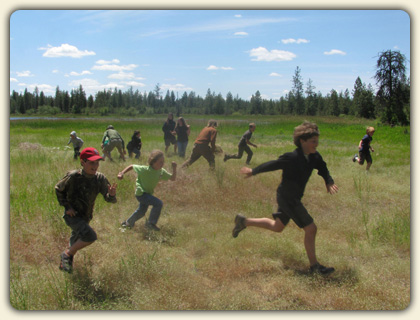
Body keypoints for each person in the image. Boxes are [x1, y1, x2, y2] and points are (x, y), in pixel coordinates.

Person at [232, 121, 339, 275]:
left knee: (277, 227)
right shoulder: (292, 157)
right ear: (302, 141)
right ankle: (315, 266)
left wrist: (328, 181)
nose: (316, 144)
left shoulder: (314, 156)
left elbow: (322, 167)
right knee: (311, 228)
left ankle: (243, 221)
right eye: (313, 141)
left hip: (291, 197)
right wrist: (253, 171)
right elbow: (273, 164)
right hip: (288, 198)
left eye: (317, 141)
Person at [55, 147, 117, 273]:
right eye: (92, 162)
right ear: (83, 162)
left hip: (86, 216)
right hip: (72, 216)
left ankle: (66, 265)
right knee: (90, 236)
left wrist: (111, 194)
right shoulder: (73, 176)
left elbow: (109, 199)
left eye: (97, 162)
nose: (95, 166)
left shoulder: (100, 178)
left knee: (75, 242)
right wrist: (67, 207)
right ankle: (66, 255)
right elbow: (58, 189)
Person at [118, 150, 177, 231]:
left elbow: (173, 178)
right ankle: (151, 224)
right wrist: (121, 173)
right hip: (141, 193)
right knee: (158, 203)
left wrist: (174, 168)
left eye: (163, 162)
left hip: (148, 194)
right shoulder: (145, 169)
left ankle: (127, 223)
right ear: (153, 161)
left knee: (141, 212)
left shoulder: (161, 172)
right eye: (160, 162)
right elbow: (131, 166)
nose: (162, 164)